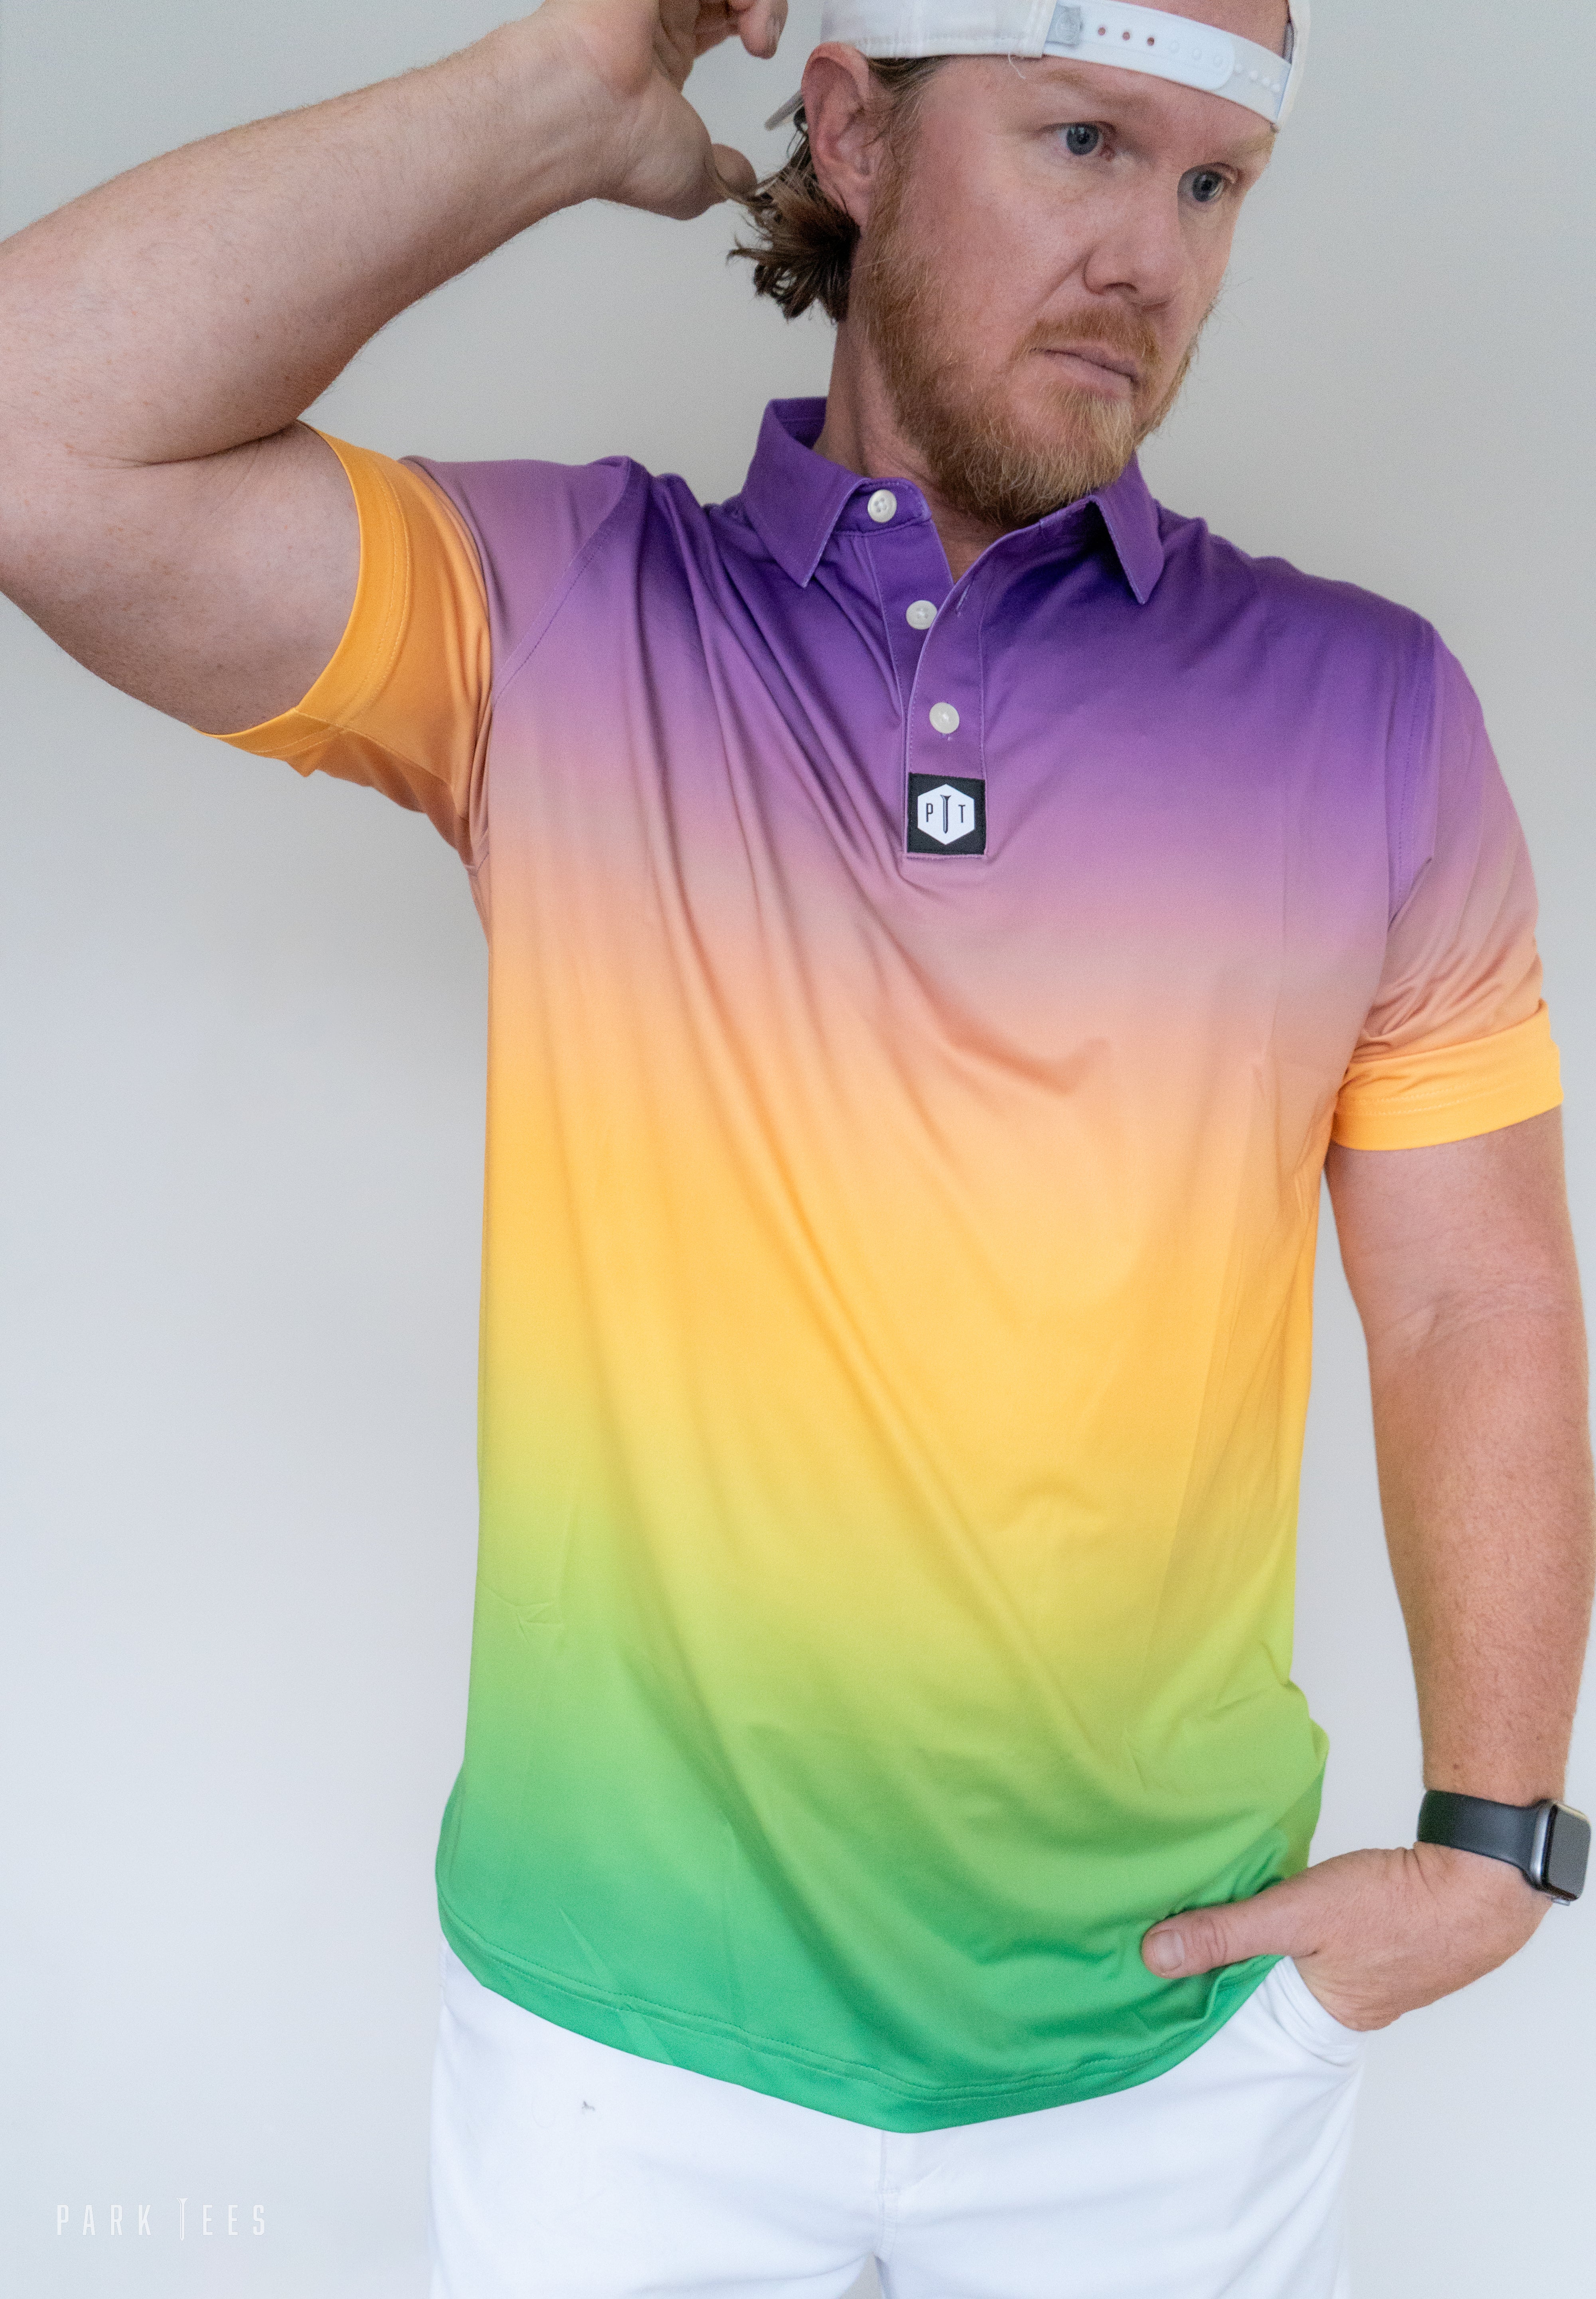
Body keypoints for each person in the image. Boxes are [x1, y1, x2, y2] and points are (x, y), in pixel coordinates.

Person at [1, 0, 1590, 2292]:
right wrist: (560, 95)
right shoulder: (557, 615)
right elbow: (40, 433)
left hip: (1165, 2059)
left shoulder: (1373, 715)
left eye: (1212, 183)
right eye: (1082, 138)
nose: (1152, 254)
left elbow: (1473, 1292)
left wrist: (1496, 1838)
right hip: (614, 2067)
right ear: (851, 129)